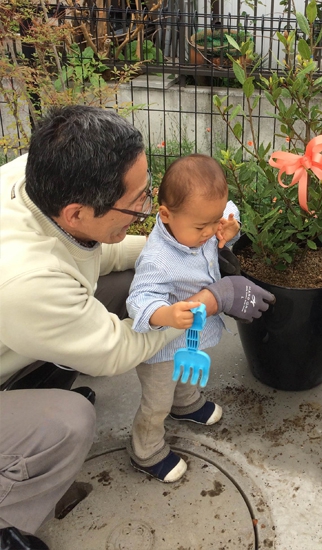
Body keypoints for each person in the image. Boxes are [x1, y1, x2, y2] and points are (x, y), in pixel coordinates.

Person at [0, 106, 274, 549]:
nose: (147, 210)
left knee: (142, 308)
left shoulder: (33, 180)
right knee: (72, 421)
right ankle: (7, 526)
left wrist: (191, 239)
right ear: (76, 213)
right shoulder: (25, 281)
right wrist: (208, 299)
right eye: (139, 203)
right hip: (23, 317)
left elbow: (99, 254)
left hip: (23, 321)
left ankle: (183, 402)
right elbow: (119, 353)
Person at [125, 154, 252, 482]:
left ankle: (187, 403)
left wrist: (230, 226)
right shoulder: (158, 259)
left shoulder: (200, 225)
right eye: (202, 226)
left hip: (188, 337)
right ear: (165, 214)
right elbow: (138, 301)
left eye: (214, 222)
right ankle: (147, 449)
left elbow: (228, 210)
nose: (211, 232)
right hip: (159, 350)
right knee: (157, 401)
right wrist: (164, 313)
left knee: (187, 372)